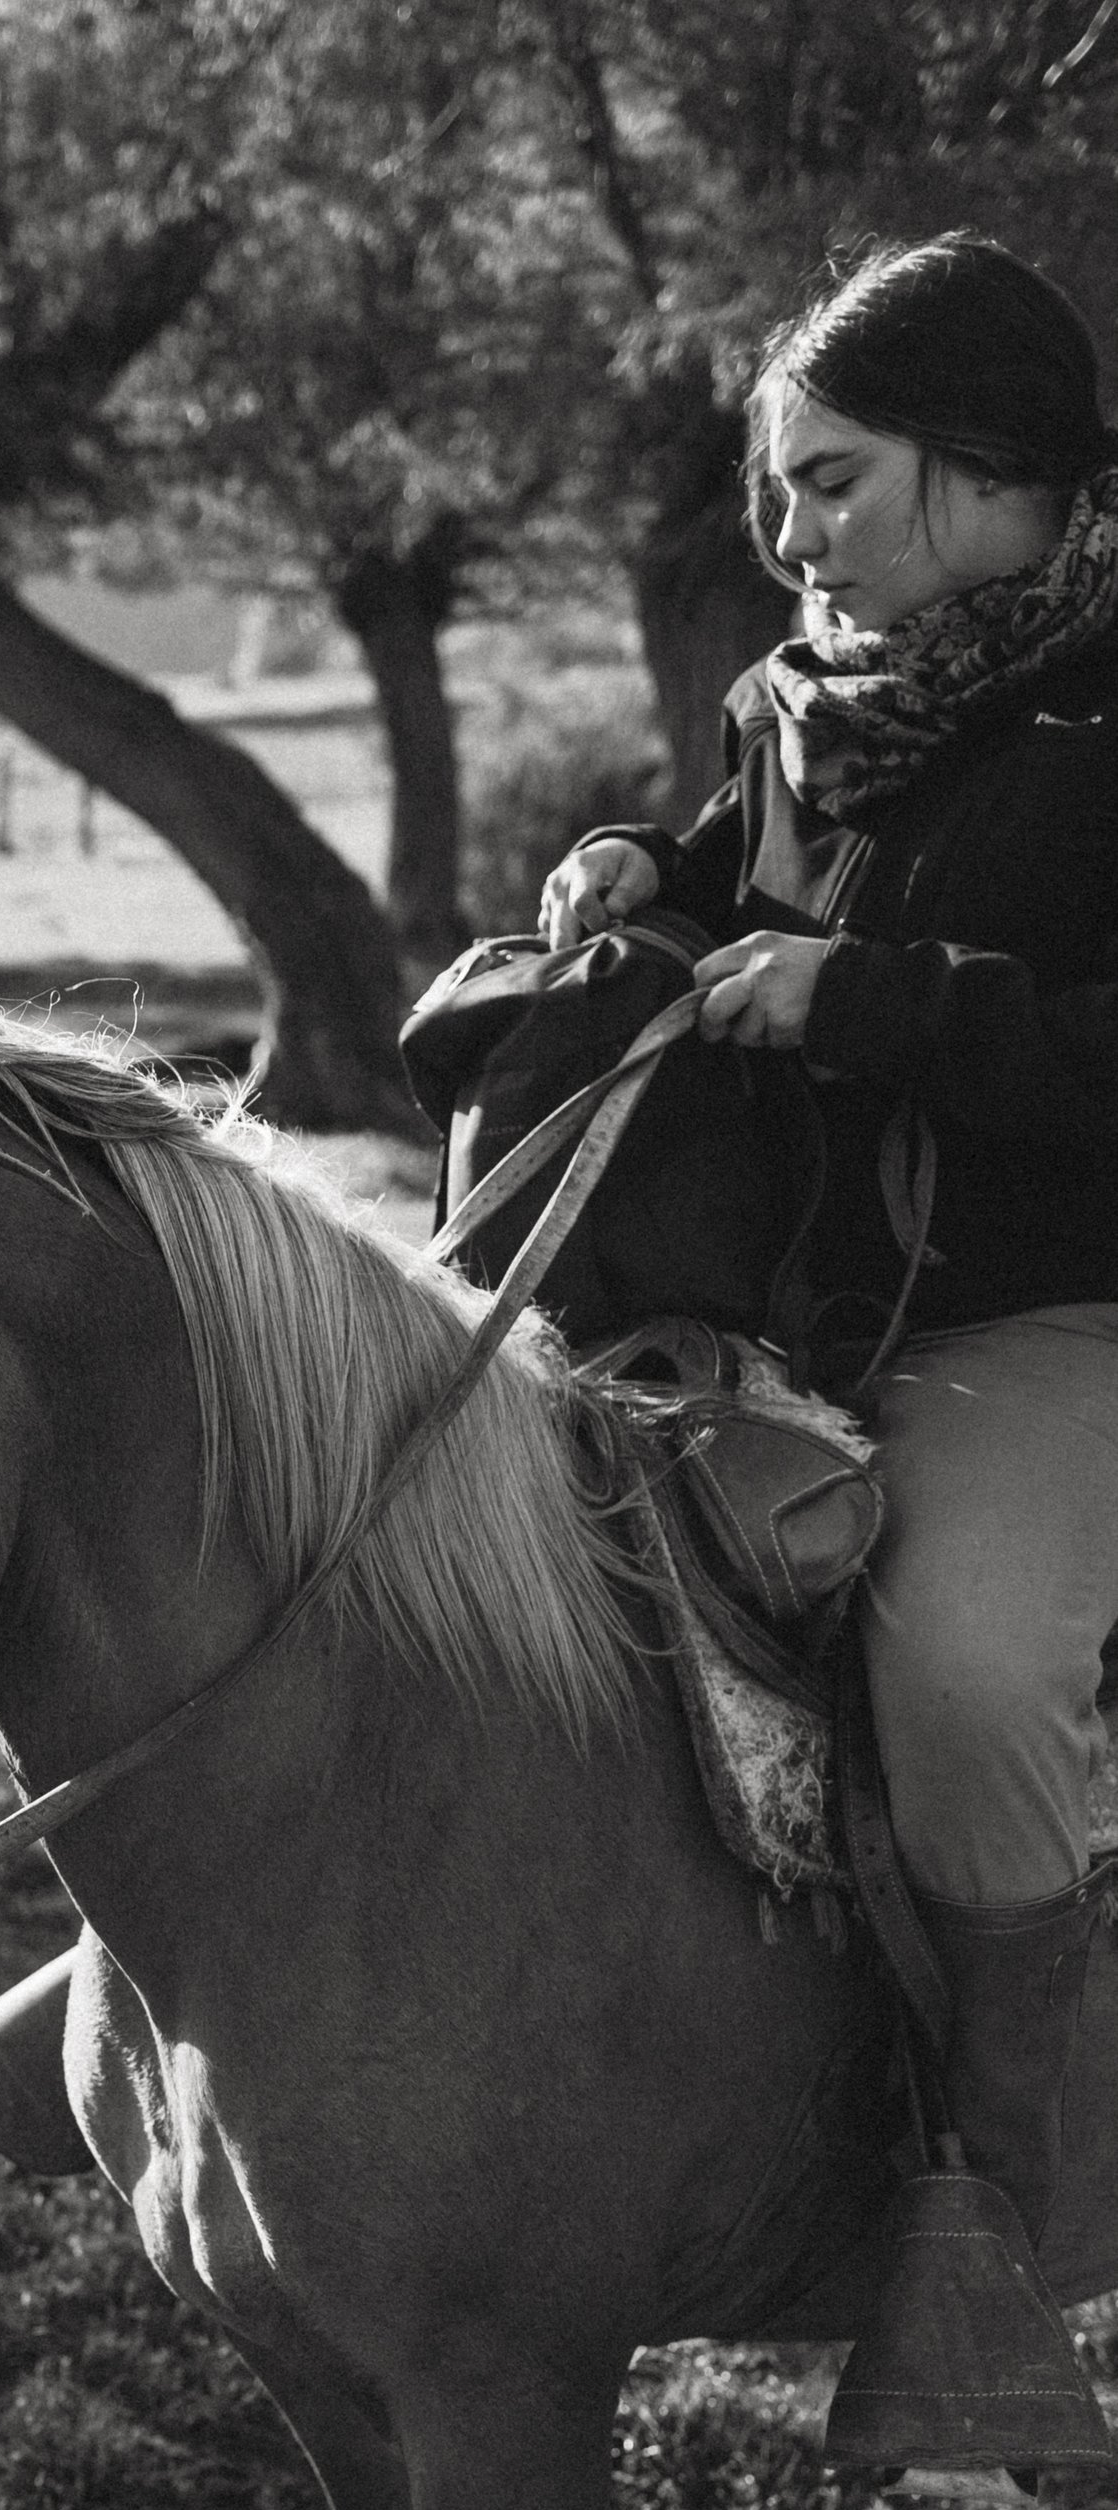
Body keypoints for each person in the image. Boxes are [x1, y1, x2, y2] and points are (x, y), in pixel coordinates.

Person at [541, 232, 1118, 2399]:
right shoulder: (801, 700)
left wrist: (870, 1009)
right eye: (773, 489)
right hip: (773, 1294)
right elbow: (740, 879)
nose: (787, 538)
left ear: (998, 477)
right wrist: (641, 876)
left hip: (1054, 1318)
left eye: (833, 482)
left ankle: (1008, 2214)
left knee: (964, 1667)